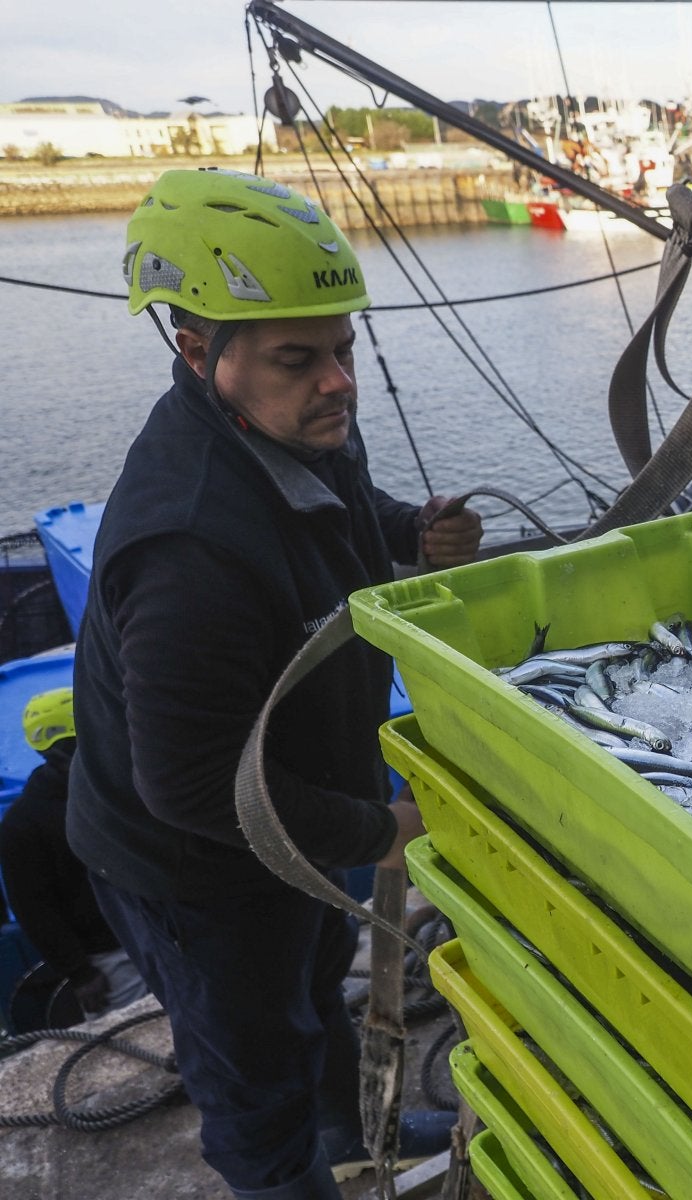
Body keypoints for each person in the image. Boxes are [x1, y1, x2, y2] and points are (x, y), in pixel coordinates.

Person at [67, 168, 483, 1200]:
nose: (338, 380)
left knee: (313, 994)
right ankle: (288, 1178)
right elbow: (193, 784)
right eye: (301, 359)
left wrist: (406, 532)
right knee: (252, 1074)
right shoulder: (189, 544)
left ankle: (354, 1135)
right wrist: (377, 832)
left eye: (342, 349)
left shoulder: (289, 422)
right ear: (198, 351)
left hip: (290, 821)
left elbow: (343, 501)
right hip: (193, 870)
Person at [0, 688, 146, 1019]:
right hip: (109, 961)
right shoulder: (24, 824)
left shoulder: (117, 784)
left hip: (160, 935)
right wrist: (80, 972)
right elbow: (33, 908)